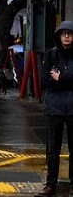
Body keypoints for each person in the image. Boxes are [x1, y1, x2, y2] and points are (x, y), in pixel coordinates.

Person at [38, 21, 73, 196]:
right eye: (63, 33)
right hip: (54, 108)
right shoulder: (50, 55)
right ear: (58, 36)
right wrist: (67, 81)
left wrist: (61, 78)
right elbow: (45, 81)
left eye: (70, 33)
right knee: (53, 149)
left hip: (72, 108)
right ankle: (50, 184)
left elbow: (59, 81)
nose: (66, 36)